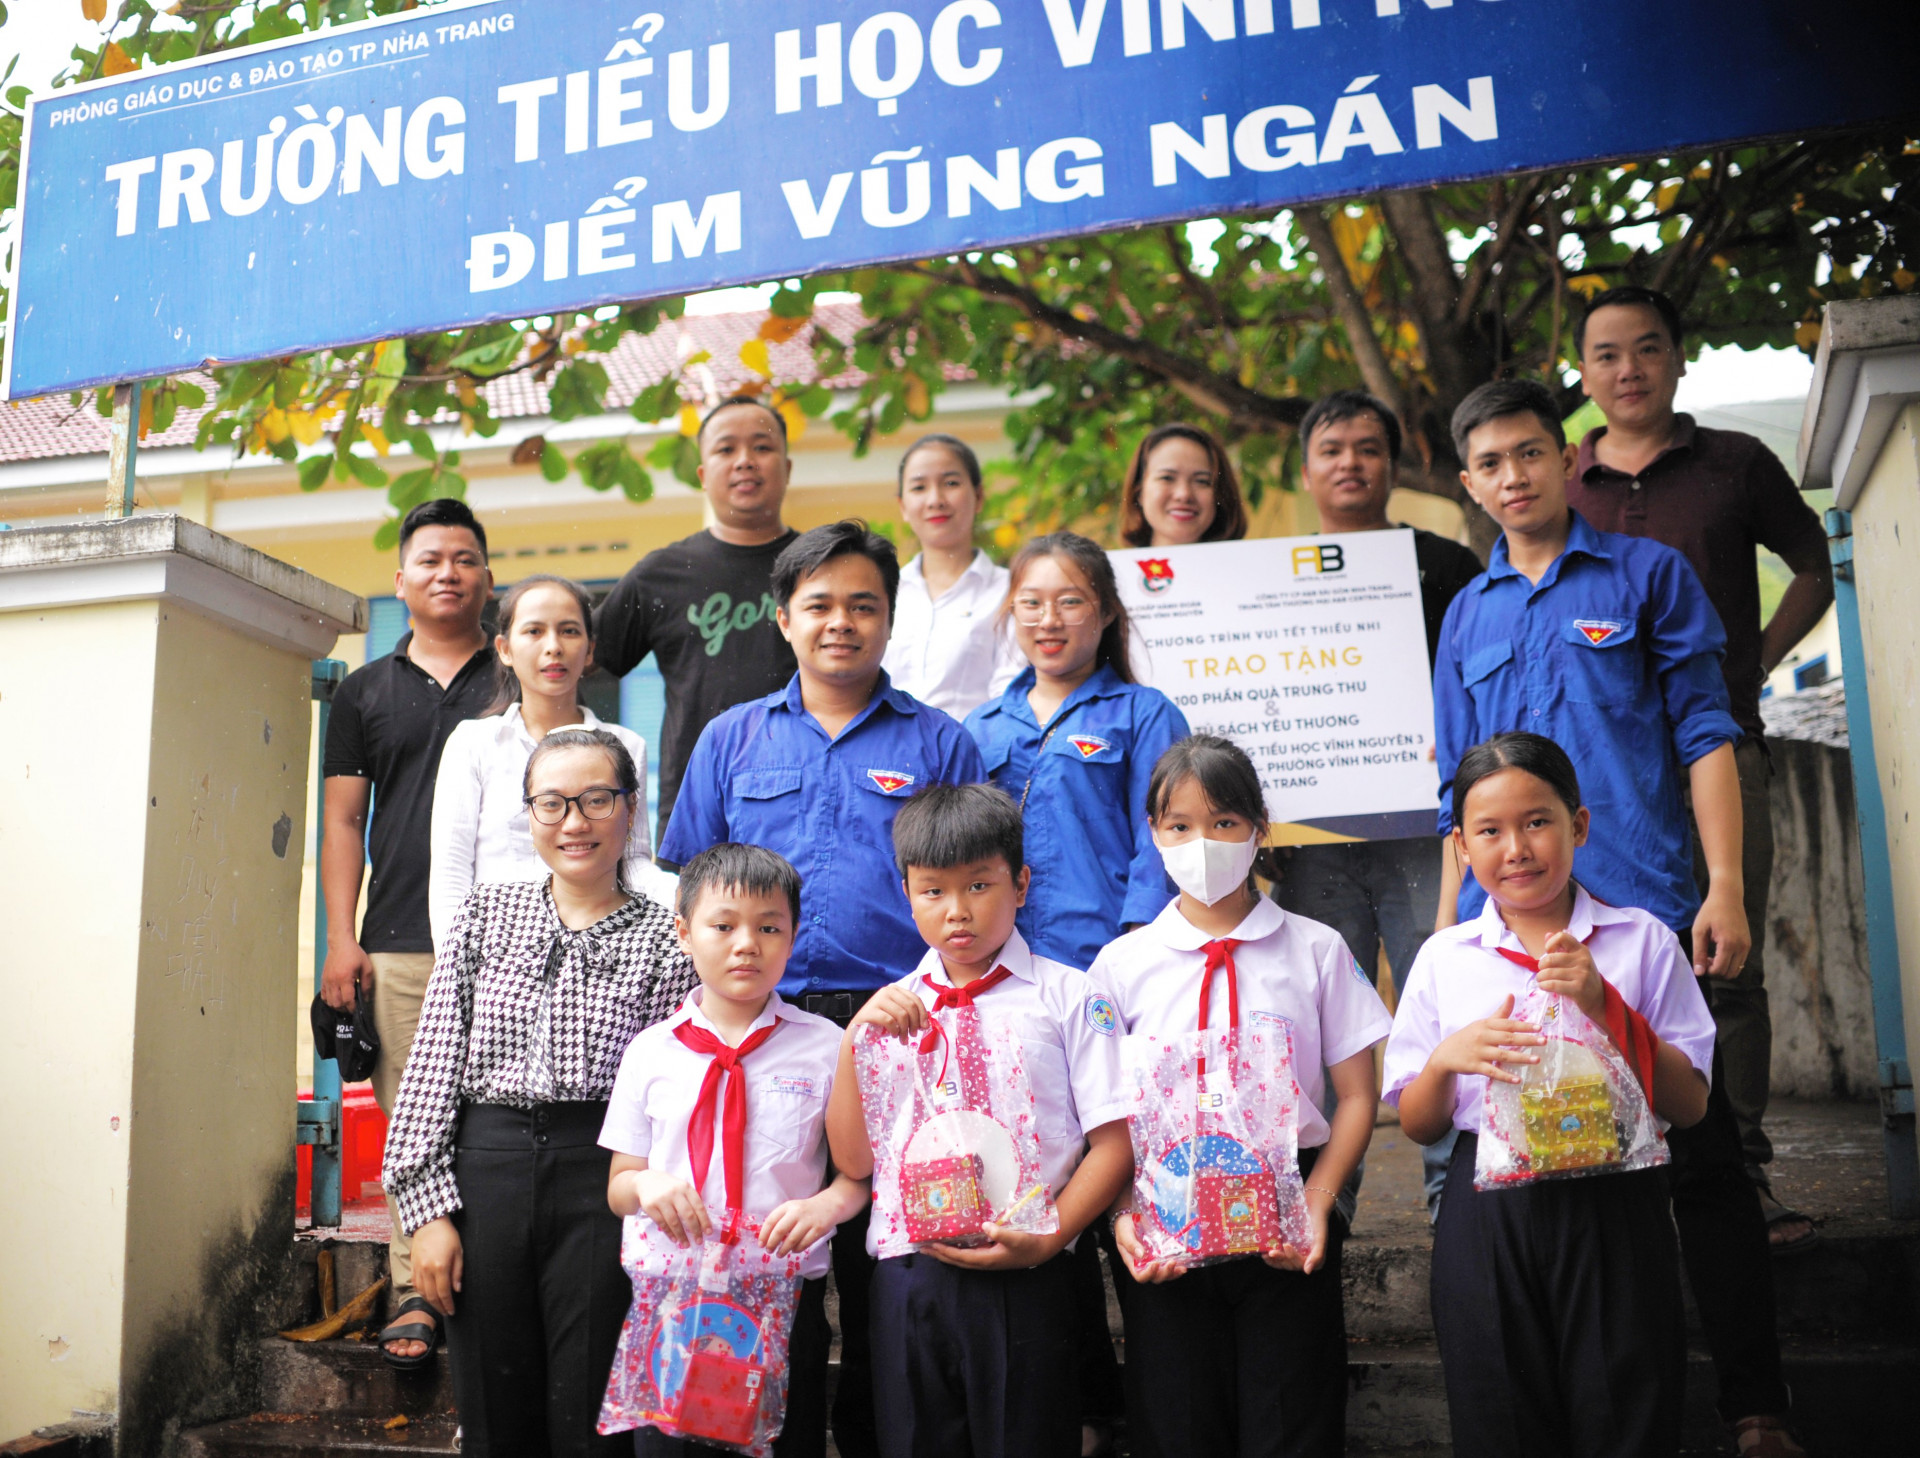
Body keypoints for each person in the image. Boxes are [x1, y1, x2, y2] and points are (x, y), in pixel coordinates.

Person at [1434, 378, 1802, 1457]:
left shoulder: (1649, 575)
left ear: (1568, 459)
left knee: (1704, 1157)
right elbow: (1455, 792)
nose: (1514, 477)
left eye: (1531, 454)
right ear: (1470, 483)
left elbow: (1705, 730)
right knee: (1532, 1178)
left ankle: (1755, 1404)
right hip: (1508, 934)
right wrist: (1453, 929)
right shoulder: (1470, 611)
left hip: (1641, 919)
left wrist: (1724, 885)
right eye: (1491, 463)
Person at [659, 520, 986, 1458]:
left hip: (904, 1033)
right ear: (784, 619)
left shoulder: (940, 742)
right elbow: (695, 890)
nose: (840, 623)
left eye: (863, 606)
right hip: (763, 1041)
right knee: (771, 1255)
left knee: (898, 1265)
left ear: (890, 619)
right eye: (819, 606)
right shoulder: (731, 738)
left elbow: (977, 889)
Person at [1569, 285, 1833, 1250]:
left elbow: (1815, 562)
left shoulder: (1735, 463)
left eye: (1646, 348)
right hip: (1597, 778)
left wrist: (1754, 659)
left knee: (1726, 963)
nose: (1627, 369)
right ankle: (1620, 1165)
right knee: (1604, 967)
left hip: (1719, 748)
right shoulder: (1559, 484)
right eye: (1606, 354)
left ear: (1678, 358)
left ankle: (1738, 1173)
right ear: (1586, 375)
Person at [1385, 733, 1715, 1458]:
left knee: (1625, 1405)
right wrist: (1444, 1064)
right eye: (1489, 831)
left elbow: (1689, 1105)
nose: (1517, 848)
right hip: (1488, 1208)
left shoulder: (1641, 941)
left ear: (1580, 826)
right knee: (1499, 1406)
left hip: (1617, 1200)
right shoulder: (1446, 960)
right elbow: (1417, 1122)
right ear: (1462, 851)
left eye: (1537, 821)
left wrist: (1606, 1007)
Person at [381, 729, 698, 1458]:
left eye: (595, 800)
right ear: (528, 815)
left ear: (629, 808)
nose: (574, 823)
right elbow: (431, 1067)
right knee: (494, 1413)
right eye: (552, 804)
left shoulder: (665, 937)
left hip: (605, 1178)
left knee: (592, 1413)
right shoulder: (485, 915)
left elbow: (669, 1097)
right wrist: (426, 1214)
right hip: (483, 1175)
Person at [1098, 735, 1389, 1458]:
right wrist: (1124, 1212)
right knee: (1179, 1422)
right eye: (1180, 826)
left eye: (1224, 823)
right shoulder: (1120, 966)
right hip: (1164, 1237)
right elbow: (1102, 1114)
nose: (1203, 843)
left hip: (1286, 1233)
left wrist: (1318, 1199)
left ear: (1262, 826)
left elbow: (1357, 1095)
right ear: (1153, 835)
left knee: (1291, 1420)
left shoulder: (1316, 949)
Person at [824, 783, 1134, 1458]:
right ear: (906, 891)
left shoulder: (1070, 998)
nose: (956, 912)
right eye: (933, 891)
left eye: (979, 886)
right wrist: (853, 1041)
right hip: (910, 1276)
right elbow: (853, 1161)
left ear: (1020, 883)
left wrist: (1050, 1240)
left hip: (1031, 1268)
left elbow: (1113, 1144)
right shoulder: (887, 1012)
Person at [1277, 389, 1485, 1219]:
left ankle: (1455, 1203)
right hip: (1314, 841)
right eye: (1333, 450)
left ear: (1393, 465)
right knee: (1320, 1022)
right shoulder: (1269, 583)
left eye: (1369, 448)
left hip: (1423, 831)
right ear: (1306, 469)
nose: (1351, 463)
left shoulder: (1449, 567)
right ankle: (1327, 1206)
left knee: (1438, 1004)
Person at [602, 843, 868, 1458]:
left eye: (769, 927)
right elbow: (620, 1184)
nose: (746, 943)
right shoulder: (650, 1051)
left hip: (779, 1295)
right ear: (684, 933)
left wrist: (825, 1207)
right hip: (673, 1302)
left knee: (782, 1440)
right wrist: (647, 1187)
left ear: (793, 936)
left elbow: (857, 1176)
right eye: (723, 926)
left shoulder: (826, 1047)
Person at [318, 497, 498, 1368]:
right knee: (410, 1125)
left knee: (497, 1114)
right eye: (430, 559)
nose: (448, 572)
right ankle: (409, 1293)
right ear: (402, 580)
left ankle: (487, 1278)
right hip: (396, 936)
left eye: (465, 558)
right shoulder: (364, 692)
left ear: (487, 578)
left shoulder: (516, 677)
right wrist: (340, 939)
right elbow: (344, 821)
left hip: (512, 934)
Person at [964, 532, 1190, 971]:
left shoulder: (1144, 714)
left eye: (1069, 602)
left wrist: (1141, 937)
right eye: (1030, 603)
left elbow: (1164, 837)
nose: (1048, 620)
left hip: (1109, 955)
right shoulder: (981, 726)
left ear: (1105, 612)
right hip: (1004, 963)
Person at [595, 397, 801, 852]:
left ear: (786, 467)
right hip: (698, 805)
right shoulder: (662, 574)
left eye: (761, 447)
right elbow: (581, 661)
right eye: (726, 449)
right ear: (704, 474)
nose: (745, 461)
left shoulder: (818, 569)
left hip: (805, 795)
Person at [429, 573, 660, 953]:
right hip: (496, 957)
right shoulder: (474, 743)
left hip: (599, 954)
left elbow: (632, 863)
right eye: (534, 631)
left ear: (589, 651)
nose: (553, 647)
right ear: (504, 648)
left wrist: (683, 897)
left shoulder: (625, 745)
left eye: (569, 631)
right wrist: (455, 972)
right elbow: (451, 874)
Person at [881, 433, 1021, 720]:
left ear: (979, 496)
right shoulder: (883, 593)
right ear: (903, 506)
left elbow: (1010, 695)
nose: (935, 500)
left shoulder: (1013, 592)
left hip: (973, 758)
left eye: (951, 483)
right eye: (919, 487)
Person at [1118, 423, 1250, 548]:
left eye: (1202, 481)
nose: (1184, 494)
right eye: (1167, 478)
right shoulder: (1115, 571)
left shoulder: (1250, 570)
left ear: (1220, 494)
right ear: (1139, 491)